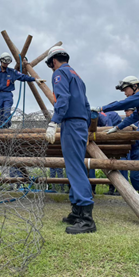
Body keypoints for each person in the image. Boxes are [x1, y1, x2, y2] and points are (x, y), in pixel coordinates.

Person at [45, 46, 96, 234]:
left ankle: (86, 219)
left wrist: (54, 122)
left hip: (71, 123)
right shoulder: (77, 77)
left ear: (53, 61)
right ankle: (77, 211)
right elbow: (87, 104)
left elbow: (63, 98)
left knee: (74, 167)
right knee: (76, 166)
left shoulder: (59, 73)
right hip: (80, 123)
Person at [91, 76, 139, 214]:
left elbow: (121, 104)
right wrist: (118, 127)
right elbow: (134, 117)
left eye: (125, 89)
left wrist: (102, 108)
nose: (125, 93)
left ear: (134, 87)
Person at [0, 52, 45, 127]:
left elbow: (23, 77)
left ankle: (6, 127)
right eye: (5, 63)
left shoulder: (12, 72)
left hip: (7, 95)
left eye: (7, 63)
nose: (6, 65)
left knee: (6, 113)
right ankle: (0, 130)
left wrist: (35, 79)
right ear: (1, 61)